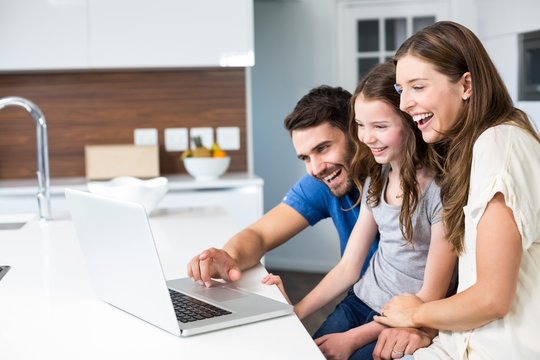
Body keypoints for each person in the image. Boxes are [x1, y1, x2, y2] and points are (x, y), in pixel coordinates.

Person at [263, 61, 457, 360]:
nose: (366, 138)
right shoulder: (376, 178)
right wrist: (294, 313)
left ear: (410, 121)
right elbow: (348, 267)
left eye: (379, 127)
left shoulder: (439, 192)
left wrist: (352, 339)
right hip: (358, 301)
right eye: (361, 126)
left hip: (399, 320)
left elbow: (429, 298)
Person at [374, 21, 540, 360]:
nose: (405, 103)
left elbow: (493, 298)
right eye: (401, 88)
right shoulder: (480, 144)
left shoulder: (498, 144)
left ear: (466, 84)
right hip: (466, 338)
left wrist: (415, 313)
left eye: (418, 87)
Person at [187, 85, 378, 287]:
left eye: (322, 148)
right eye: (305, 158)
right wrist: (228, 257)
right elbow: (260, 235)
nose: (315, 169)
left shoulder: (397, 179)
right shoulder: (324, 181)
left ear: (355, 132)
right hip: (360, 301)